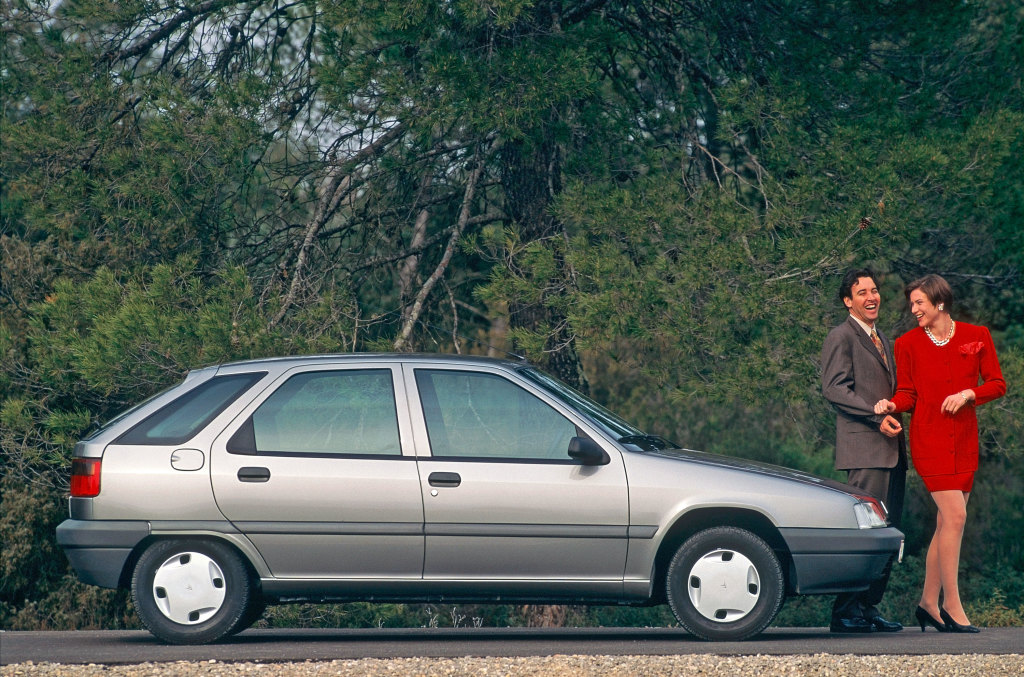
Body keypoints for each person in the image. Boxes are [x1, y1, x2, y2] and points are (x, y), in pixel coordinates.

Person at [874, 274, 1006, 633]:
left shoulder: (976, 336)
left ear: (940, 303)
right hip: (929, 440)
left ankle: (928, 603)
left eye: (919, 303)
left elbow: (997, 384)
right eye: (912, 303)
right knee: (956, 518)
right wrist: (892, 404)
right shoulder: (907, 343)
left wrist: (968, 394)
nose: (913, 309)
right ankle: (951, 603)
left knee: (947, 522)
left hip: (964, 441)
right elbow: (908, 394)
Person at [821, 268, 907, 633]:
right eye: (862, 293)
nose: (872, 297)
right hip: (866, 453)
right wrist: (874, 414)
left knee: (888, 533)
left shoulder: (881, 338)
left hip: (893, 449)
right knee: (868, 535)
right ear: (848, 300)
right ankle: (845, 613)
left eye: (874, 291)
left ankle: (867, 608)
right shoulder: (841, 336)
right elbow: (834, 388)